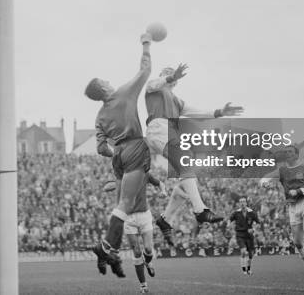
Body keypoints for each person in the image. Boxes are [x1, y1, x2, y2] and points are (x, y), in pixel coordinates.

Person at [143, 64, 243, 245]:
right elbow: (153, 84)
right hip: (159, 128)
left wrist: (220, 112)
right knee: (185, 161)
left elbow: (198, 112)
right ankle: (200, 211)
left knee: (186, 176)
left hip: (168, 132)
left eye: (171, 73)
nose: (169, 74)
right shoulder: (154, 88)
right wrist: (171, 77)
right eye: (165, 72)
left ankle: (165, 219)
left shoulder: (177, 101)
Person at [84, 32, 154, 277]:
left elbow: (101, 148)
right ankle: (105, 248)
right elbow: (145, 70)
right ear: (103, 87)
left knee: (122, 207)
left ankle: (111, 255)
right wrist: (146, 43)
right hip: (134, 146)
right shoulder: (124, 92)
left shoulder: (99, 117)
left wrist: (116, 151)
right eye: (105, 79)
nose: (108, 80)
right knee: (126, 205)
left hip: (119, 157)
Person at [259, 145, 304, 285]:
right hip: (293, 207)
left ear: (296, 155)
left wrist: (299, 191)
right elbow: (264, 178)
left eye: (290, 152)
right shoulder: (282, 170)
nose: (287, 154)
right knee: (297, 243)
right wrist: (264, 184)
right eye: (286, 152)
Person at [228, 196, 260, 275]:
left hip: (249, 235)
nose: (242, 203)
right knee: (243, 251)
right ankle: (243, 269)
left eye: (244, 201)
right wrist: (229, 224)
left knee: (250, 254)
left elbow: (258, 223)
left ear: (246, 203)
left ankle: (249, 269)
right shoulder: (236, 213)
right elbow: (230, 219)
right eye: (241, 202)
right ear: (239, 204)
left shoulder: (251, 212)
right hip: (240, 234)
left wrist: (253, 229)